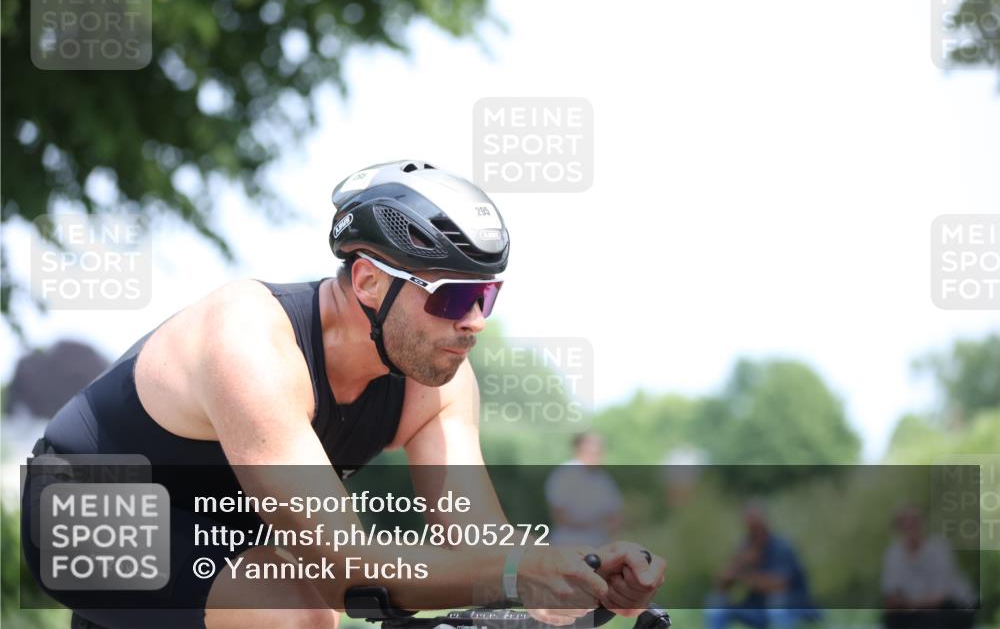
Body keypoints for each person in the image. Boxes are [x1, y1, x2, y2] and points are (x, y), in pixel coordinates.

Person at [21, 160, 666, 629]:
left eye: (487, 295)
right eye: (452, 296)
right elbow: (342, 560)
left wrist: (574, 574)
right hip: (88, 505)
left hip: (226, 527)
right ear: (366, 280)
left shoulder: (435, 379)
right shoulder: (249, 339)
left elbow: (479, 546)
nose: (474, 321)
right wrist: (506, 579)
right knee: (303, 612)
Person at [703, 502, 820, 629]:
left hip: (793, 608)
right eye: (750, 526)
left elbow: (779, 585)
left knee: (777, 603)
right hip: (758, 609)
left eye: (756, 525)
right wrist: (737, 565)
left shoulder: (782, 547)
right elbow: (720, 587)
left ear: (765, 523)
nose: (753, 530)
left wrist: (744, 575)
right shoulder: (745, 547)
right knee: (716, 603)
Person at [881, 504, 976, 629]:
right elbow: (891, 596)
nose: (910, 525)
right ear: (899, 526)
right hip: (917, 610)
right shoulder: (893, 553)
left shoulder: (939, 547)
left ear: (922, 523)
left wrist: (910, 605)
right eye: (905, 521)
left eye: (914, 521)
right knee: (891, 619)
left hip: (954, 606)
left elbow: (942, 596)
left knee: (935, 619)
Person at [545, 433, 624, 547]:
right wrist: (596, 524)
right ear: (578, 450)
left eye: (600, 452)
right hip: (568, 546)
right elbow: (559, 516)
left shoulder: (604, 479)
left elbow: (616, 514)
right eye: (593, 451)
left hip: (599, 545)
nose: (598, 456)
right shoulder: (563, 475)